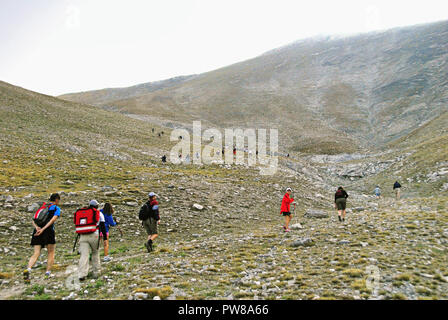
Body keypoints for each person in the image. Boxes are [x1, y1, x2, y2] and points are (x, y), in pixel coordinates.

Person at [23, 193, 62, 281]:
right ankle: (47, 273)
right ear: (56, 200)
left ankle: (28, 269)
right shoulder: (56, 208)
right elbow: (53, 220)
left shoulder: (42, 207)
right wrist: (43, 229)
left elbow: (33, 220)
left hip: (37, 231)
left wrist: (37, 228)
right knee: (51, 252)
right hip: (48, 231)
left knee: (36, 253)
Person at [77, 200, 107, 281]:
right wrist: (105, 238)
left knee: (84, 255)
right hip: (94, 235)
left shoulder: (83, 212)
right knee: (95, 253)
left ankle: (82, 274)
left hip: (83, 236)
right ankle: (96, 272)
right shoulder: (98, 213)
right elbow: (103, 227)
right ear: (97, 206)